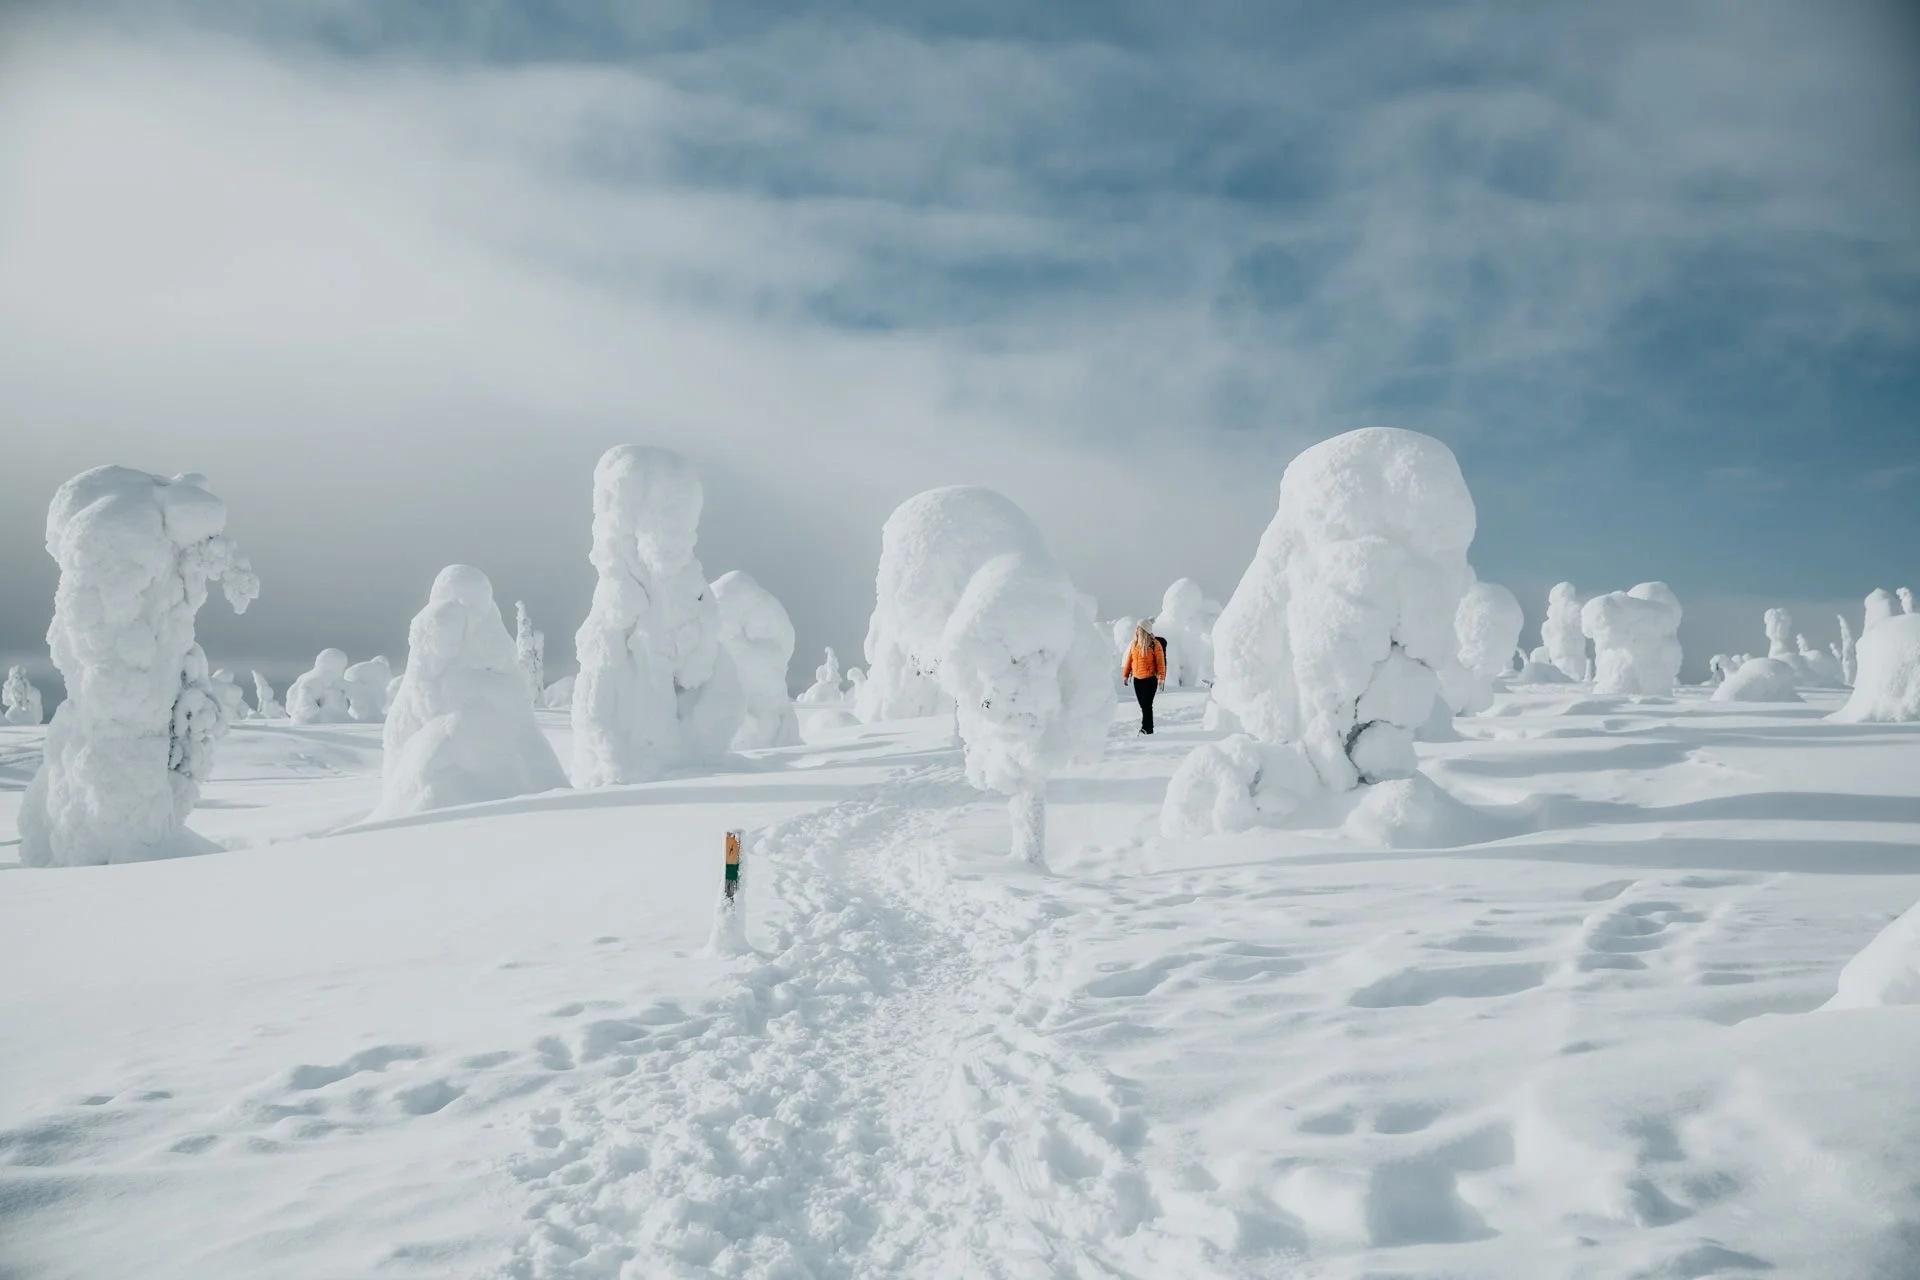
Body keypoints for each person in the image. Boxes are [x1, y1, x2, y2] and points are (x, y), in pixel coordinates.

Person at [1121, 619, 1167, 734]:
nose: (1136, 629)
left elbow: (1160, 663)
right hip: (1137, 680)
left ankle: (1146, 729)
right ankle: (1147, 728)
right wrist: (1126, 675)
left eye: (1138, 627)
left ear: (1143, 630)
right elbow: (1129, 660)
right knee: (1143, 706)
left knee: (1147, 706)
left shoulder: (1154, 644)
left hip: (1150, 680)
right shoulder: (1134, 644)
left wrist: (1161, 678)